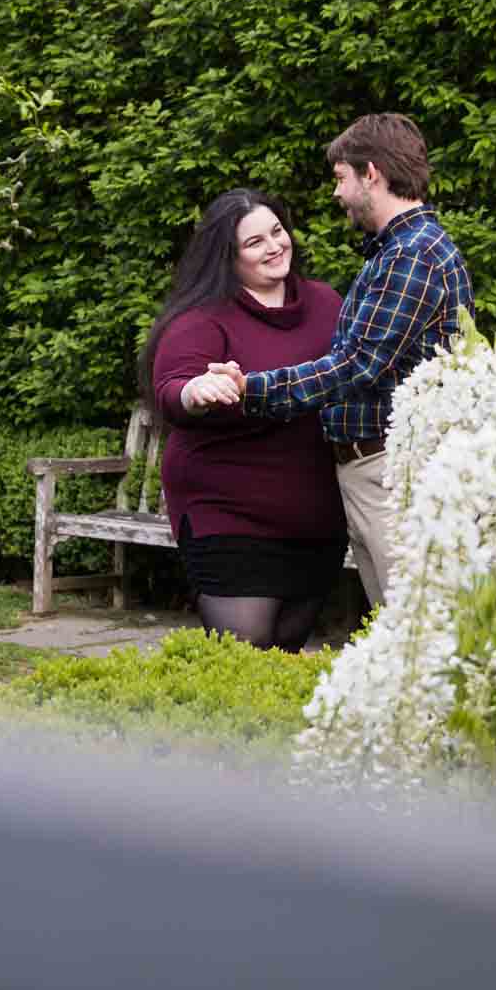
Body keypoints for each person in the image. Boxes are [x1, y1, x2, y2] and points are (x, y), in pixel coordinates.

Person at [200, 113, 472, 608]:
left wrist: (251, 389)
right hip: (376, 468)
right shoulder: (397, 252)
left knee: (413, 629)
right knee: (399, 629)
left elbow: (358, 364)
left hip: (391, 469)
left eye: (340, 179)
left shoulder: (412, 255)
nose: (337, 194)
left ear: (371, 174)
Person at [142, 188, 347, 652]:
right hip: (229, 513)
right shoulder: (203, 319)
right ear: (228, 257)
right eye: (255, 243)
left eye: (277, 232)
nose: (274, 246)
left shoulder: (326, 304)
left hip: (315, 514)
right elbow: (172, 386)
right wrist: (196, 391)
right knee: (244, 648)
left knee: (286, 647)